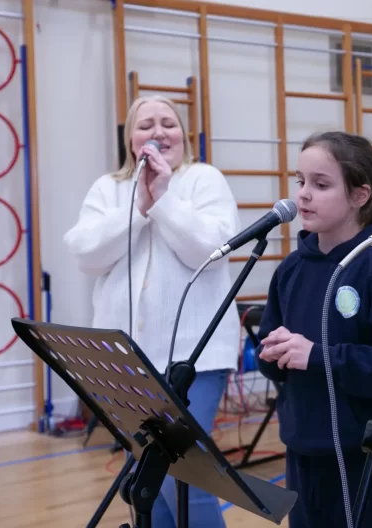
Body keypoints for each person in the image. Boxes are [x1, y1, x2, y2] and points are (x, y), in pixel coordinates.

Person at [64, 95, 240, 528]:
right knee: (148, 481)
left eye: (169, 123)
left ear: (185, 135)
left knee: (184, 477)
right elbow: (85, 253)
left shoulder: (204, 180)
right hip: (124, 365)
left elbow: (212, 250)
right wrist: (139, 209)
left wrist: (162, 199)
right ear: (130, 140)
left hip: (193, 359)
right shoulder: (109, 188)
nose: (158, 132)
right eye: (146, 125)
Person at [256, 131, 372, 528]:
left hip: (363, 459)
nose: (304, 195)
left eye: (321, 184)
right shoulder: (291, 270)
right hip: (302, 452)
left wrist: (316, 356)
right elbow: (275, 362)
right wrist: (274, 355)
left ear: (360, 195)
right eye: (300, 182)